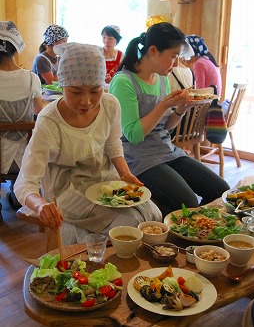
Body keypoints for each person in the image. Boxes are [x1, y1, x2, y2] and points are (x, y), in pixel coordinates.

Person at [14, 42, 161, 245]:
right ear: (62, 85)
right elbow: (25, 183)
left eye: (95, 90)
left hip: (103, 181)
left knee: (154, 215)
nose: (87, 101)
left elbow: (113, 145)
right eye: (75, 91)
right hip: (66, 189)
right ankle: (100, 261)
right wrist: (39, 205)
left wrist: (125, 173)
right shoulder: (50, 121)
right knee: (129, 222)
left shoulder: (110, 104)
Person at [109, 22, 230, 217]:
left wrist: (181, 109)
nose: (176, 63)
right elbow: (133, 135)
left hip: (166, 149)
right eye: (173, 56)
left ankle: (196, 230)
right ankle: (166, 230)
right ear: (154, 51)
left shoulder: (162, 78)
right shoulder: (124, 81)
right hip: (138, 157)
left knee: (221, 190)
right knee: (187, 202)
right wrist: (163, 105)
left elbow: (167, 128)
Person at [0, 20, 43, 207]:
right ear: (16, 49)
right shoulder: (32, 79)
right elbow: (39, 114)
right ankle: (18, 195)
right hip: (25, 158)